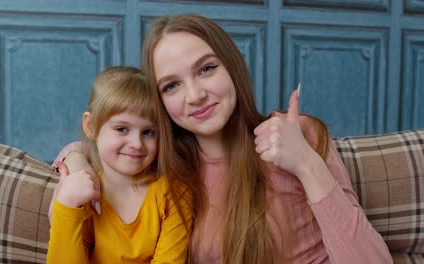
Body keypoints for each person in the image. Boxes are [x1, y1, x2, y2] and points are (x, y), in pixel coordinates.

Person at [52, 14, 392, 263]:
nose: (195, 95)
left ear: (232, 65)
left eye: (206, 69)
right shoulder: (169, 166)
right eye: (171, 85)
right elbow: (108, 141)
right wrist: (77, 157)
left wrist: (306, 164)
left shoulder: (296, 134)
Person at [47, 66, 192, 263]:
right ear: (91, 127)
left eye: (148, 132)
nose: (137, 143)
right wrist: (67, 205)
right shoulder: (80, 195)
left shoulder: (173, 193)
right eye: (122, 129)